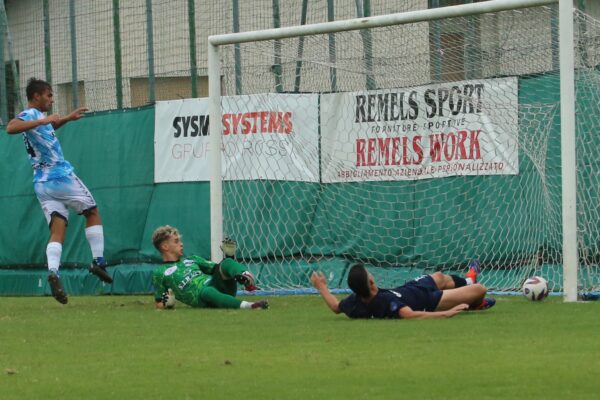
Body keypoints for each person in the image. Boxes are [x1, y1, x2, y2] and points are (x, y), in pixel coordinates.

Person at [6, 78, 112, 305]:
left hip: (41, 183)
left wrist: (65, 119)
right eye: (49, 95)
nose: (51, 99)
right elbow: (11, 127)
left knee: (58, 226)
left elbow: (46, 127)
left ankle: (53, 272)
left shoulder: (38, 120)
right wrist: (44, 119)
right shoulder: (31, 114)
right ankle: (98, 261)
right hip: (60, 176)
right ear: (36, 96)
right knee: (92, 211)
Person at [311, 261, 495, 319]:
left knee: (439, 276)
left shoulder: (354, 302)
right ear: (371, 282)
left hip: (410, 289)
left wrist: (322, 287)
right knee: (480, 289)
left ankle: (468, 279)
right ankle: (475, 303)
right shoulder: (385, 303)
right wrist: (447, 313)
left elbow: (336, 306)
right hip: (431, 301)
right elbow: (411, 314)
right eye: (369, 274)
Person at [151, 225, 269, 310]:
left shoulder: (192, 259)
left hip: (217, 286)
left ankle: (248, 281)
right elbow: (159, 304)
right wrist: (168, 305)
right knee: (208, 291)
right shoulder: (160, 272)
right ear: (165, 246)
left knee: (227, 262)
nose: (181, 244)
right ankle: (250, 306)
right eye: (176, 241)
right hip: (203, 298)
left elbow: (219, 269)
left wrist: (230, 256)